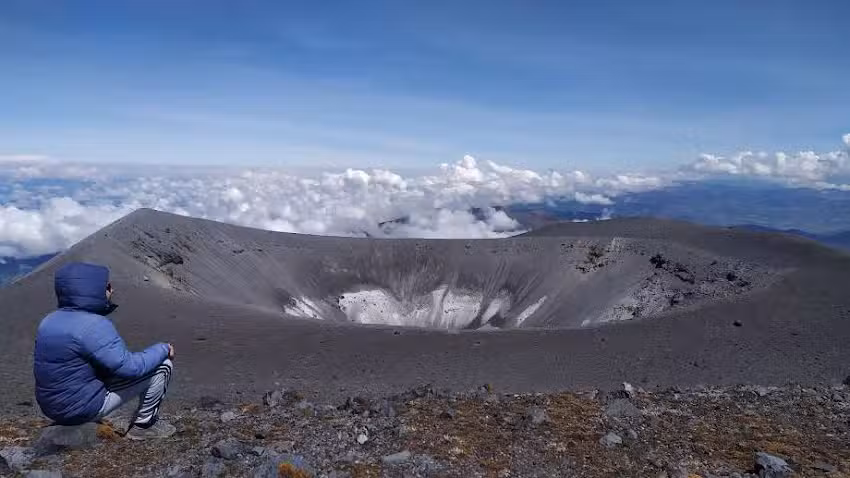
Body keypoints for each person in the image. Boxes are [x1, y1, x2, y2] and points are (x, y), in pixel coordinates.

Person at [33, 262, 176, 440]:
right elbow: (130, 368)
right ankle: (144, 426)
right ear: (93, 290)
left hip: (51, 407)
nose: (112, 290)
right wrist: (163, 348)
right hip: (79, 410)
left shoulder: (49, 320)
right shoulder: (92, 324)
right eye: (107, 286)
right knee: (163, 366)